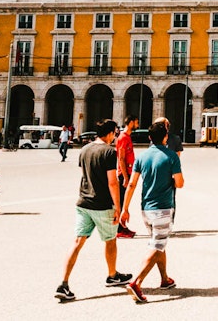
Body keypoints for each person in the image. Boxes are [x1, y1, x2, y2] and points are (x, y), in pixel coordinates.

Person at [54, 119, 133, 301]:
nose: (115, 136)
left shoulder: (85, 149)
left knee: (77, 242)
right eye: (115, 132)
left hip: (83, 203)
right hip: (102, 204)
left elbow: (85, 175)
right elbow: (112, 182)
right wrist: (118, 207)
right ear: (111, 133)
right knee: (110, 240)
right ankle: (112, 275)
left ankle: (63, 283)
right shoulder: (109, 152)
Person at [121, 121, 184, 303]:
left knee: (158, 242)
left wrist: (125, 209)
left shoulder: (142, 157)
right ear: (165, 137)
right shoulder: (172, 156)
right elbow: (179, 183)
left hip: (145, 209)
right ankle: (136, 283)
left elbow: (131, 184)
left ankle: (164, 279)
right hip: (163, 208)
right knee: (157, 246)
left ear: (149, 137)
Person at [115, 116, 139, 238]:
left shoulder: (127, 137)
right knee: (121, 202)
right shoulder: (123, 138)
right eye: (136, 122)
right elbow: (121, 158)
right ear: (130, 123)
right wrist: (125, 177)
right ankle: (119, 229)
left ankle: (122, 227)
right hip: (124, 174)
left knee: (124, 202)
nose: (138, 125)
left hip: (128, 173)